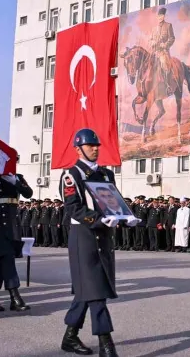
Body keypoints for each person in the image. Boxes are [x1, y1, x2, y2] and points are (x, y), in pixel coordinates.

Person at [59, 128, 139, 356]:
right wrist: (99, 220)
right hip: (84, 238)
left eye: (97, 145)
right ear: (78, 148)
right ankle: (107, 345)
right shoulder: (71, 175)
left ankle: (70, 337)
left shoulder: (105, 174)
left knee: (89, 289)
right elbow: (74, 208)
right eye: (90, 145)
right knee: (96, 292)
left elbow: (115, 203)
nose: (95, 148)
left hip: (104, 238)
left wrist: (126, 218)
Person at [0, 171, 33, 312]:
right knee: (7, 257)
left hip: (13, 222)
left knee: (2, 261)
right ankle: (15, 296)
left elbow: (28, 193)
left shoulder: (18, 177)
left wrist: (16, 182)